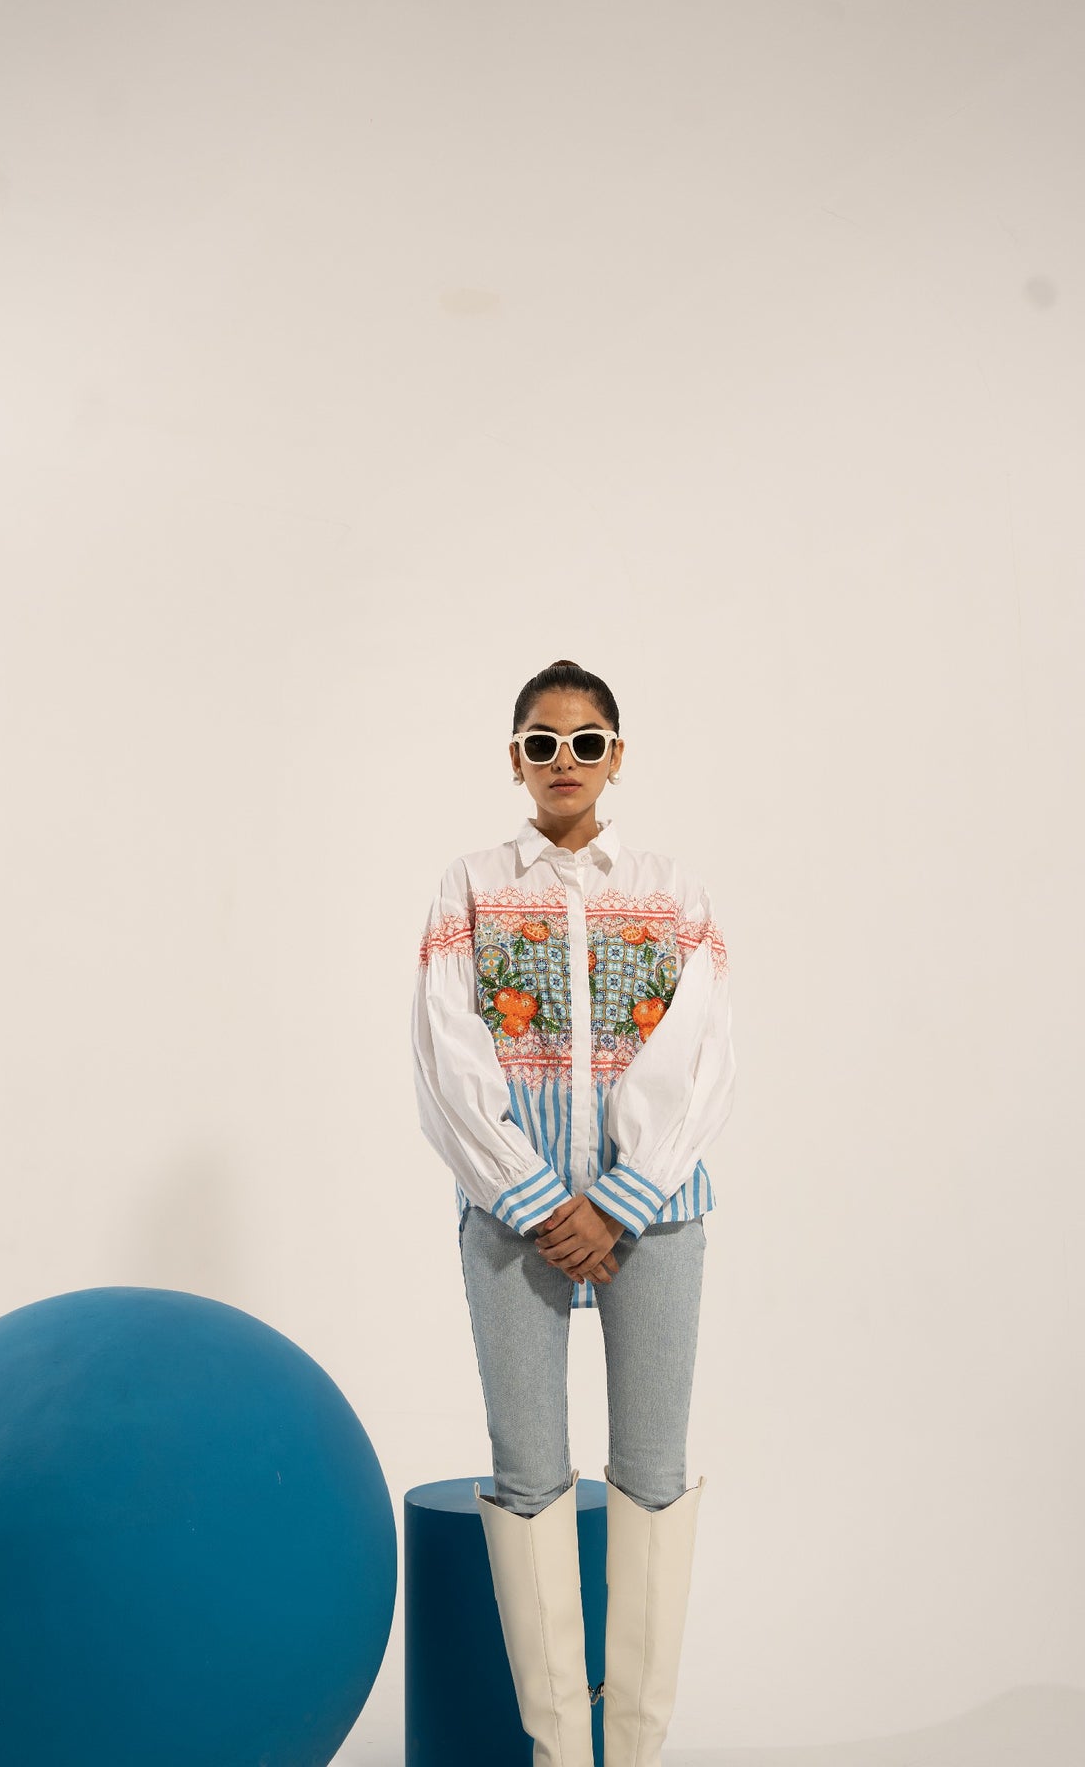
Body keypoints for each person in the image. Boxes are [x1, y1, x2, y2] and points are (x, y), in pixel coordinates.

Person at [410, 658, 736, 1767]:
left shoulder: (673, 890)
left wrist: (622, 1200)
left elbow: (702, 1054)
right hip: (515, 1224)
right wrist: (546, 1201)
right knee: (530, 1475)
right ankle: (560, 1751)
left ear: (616, 756)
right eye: (542, 743)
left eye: (586, 741)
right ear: (515, 759)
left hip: (657, 1221)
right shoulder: (468, 887)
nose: (564, 761)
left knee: (651, 1474)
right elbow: (447, 1056)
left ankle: (633, 1754)